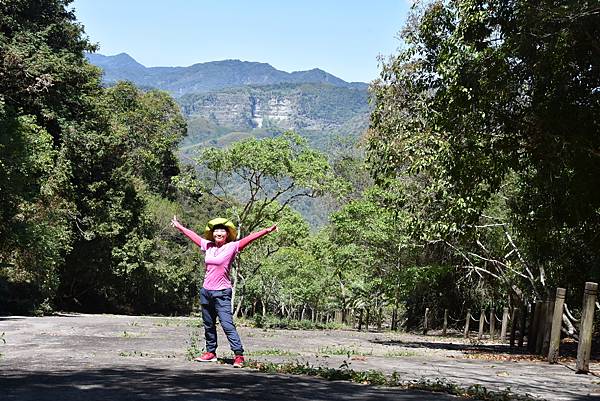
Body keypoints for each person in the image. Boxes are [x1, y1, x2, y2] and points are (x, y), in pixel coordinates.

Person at [171, 215, 276, 368]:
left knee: (227, 325)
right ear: (212, 234)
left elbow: (250, 238)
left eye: (222, 231)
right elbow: (192, 236)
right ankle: (211, 353)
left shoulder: (233, 246)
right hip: (206, 291)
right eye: (216, 231)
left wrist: (267, 230)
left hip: (222, 293)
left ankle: (239, 355)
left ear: (227, 234)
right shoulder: (208, 246)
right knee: (208, 324)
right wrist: (179, 226)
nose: (218, 233)